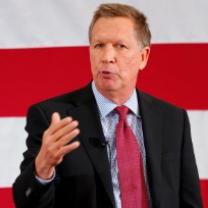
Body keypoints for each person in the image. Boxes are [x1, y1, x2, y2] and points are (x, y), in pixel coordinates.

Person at [13, 3, 202, 208]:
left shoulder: (173, 119)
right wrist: (42, 169)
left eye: (120, 46)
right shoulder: (52, 117)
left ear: (143, 57)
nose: (106, 57)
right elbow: (26, 202)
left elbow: (190, 202)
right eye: (99, 45)